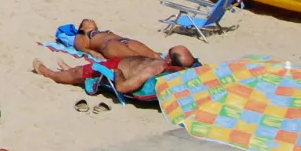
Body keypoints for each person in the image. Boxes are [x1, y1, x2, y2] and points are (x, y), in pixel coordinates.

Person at [32, 46, 199, 101]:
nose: (166, 54)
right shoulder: (167, 67)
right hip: (120, 63)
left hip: (116, 68)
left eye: (169, 53)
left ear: (170, 61)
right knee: (83, 69)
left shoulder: (153, 70)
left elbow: (124, 87)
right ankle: (67, 69)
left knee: (78, 73)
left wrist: (117, 72)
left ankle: (48, 73)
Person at [71, 20, 160, 61]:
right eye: (87, 21)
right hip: (109, 45)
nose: (90, 21)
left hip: (124, 40)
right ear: (82, 27)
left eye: (92, 20)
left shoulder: (102, 32)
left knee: (155, 56)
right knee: (137, 58)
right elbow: (78, 45)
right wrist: (91, 52)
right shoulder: (82, 35)